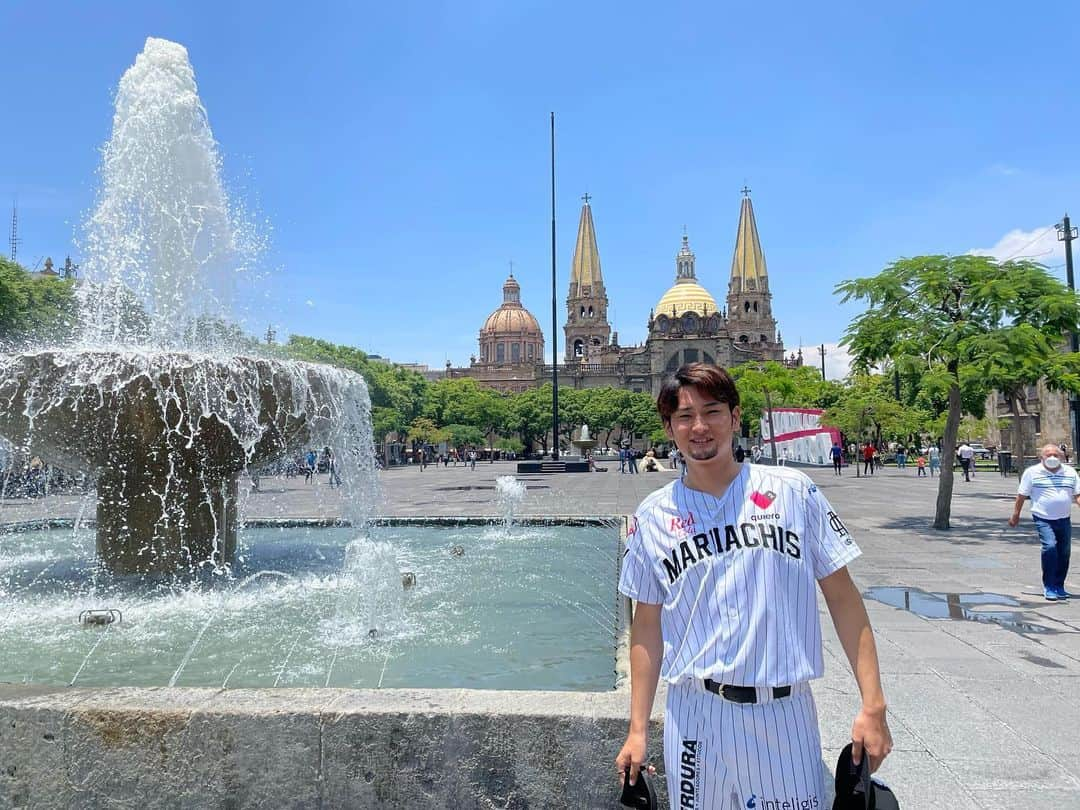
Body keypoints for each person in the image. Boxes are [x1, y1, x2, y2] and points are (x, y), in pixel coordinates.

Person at [616, 363, 892, 805]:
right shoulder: (652, 516)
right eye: (684, 416)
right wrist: (637, 729)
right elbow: (646, 625)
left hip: (781, 711)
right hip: (694, 714)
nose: (700, 427)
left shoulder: (793, 492)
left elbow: (843, 598)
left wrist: (873, 704)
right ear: (669, 428)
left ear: (736, 416)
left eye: (713, 411)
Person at [1008, 444, 1079, 601]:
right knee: (1050, 546)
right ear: (1042, 458)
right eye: (1049, 455)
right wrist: (1015, 515)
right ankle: (1049, 586)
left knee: (1064, 551)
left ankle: (1059, 585)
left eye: (1056, 455)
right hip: (1043, 517)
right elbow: (1021, 495)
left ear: (1062, 457)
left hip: (1064, 518)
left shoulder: (1070, 472)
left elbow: (1077, 494)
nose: (1053, 458)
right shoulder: (1032, 473)